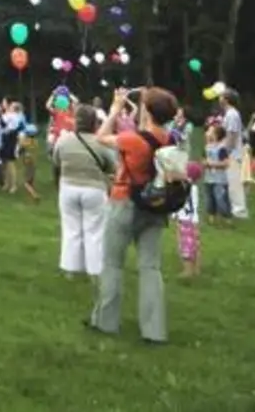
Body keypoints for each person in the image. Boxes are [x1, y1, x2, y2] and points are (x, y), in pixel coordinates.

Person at [88, 86, 177, 344]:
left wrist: (115, 108)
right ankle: (154, 330)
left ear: (147, 111)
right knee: (151, 267)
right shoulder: (170, 140)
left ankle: (106, 323)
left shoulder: (132, 140)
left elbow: (100, 137)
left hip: (125, 201)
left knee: (113, 263)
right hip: (157, 206)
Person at [52, 105, 113, 280]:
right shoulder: (100, 143)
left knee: (71, 229)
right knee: (94, 230)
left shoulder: (63, 141)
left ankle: (70, 270)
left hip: (68, 187)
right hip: (94, 189)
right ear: (94, 123)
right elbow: (111, 166)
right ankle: (95, 271)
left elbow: (56, 163)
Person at [217, 91, 249, 219]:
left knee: (235, 182)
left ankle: (240, 210)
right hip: (232, 152)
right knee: (231, 182)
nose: (219, 99)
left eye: (222, 97)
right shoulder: (229, 114)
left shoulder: (232, 114)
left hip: (234, 154)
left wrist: (226, 151)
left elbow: (232, 134)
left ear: (227, 99)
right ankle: (234, 207)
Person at [176, 162, 203, 278]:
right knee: (194, 244)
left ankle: (188, 271)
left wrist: (194, 223)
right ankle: (196, 269)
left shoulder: (189, 188)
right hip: (186, 219)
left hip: (187, 221)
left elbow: (192, 207)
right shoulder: (188, 187)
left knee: (186, 246)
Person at [202, 125, 233, 225]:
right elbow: (203, 159)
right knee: (209, 199)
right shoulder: (207, 147)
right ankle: (212, 218)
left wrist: (212, 164)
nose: (207, 133)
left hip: (220, 179)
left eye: (210, 131)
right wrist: (204, 163)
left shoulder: (221, 148)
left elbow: (226, 163)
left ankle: (227, 218)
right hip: (208, 178)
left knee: (221, 199)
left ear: (216, 135)